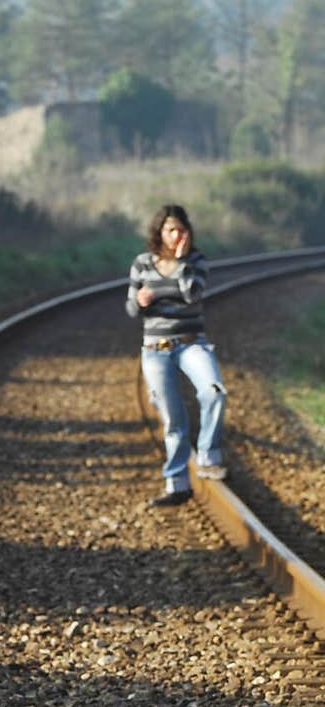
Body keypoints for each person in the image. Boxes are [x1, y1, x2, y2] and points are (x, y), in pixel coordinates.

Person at [126, 203, 228, 508]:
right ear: (159, 232)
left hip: (191, 343)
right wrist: (142, 302)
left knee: (214, 391)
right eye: (170, 230)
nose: (175, 236)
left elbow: (191, 294)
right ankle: (177, 483)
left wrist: (181, 262)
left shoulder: (197, 261)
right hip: (155, 349)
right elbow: (131, 309)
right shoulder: (142, 263)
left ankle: (209, 456)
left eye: (181, 230)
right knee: (174, 420)